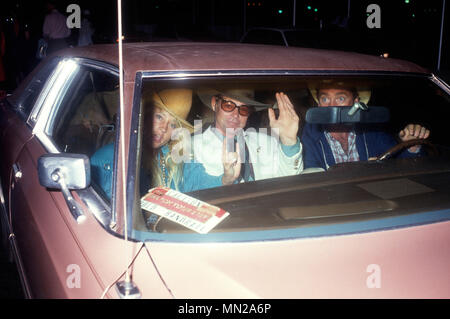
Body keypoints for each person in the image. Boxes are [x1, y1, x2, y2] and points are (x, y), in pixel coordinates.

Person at [90, 88, 240, 199]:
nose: (164, 128)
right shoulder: (111, 158)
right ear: (143, 115)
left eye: (173, 125)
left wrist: (226, 178)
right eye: (159, 117)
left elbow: (199, 181)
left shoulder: (174, 156)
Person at [301, 82, 430, 170]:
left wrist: (412, 146)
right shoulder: (311, 133)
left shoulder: (371, 130)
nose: (332, 106)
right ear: (318, 104)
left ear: (356, 102)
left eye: (340, 98)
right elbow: (310, 173)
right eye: (324, 99)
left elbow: (402, 165)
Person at [193, 89, 303, 182]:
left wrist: (289, 142)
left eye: (244, 109)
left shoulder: (265, 141)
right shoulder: (192, 147)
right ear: (214, 104)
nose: (236, 115)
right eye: (228, 105)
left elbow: (290, 181)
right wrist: (226, 180)